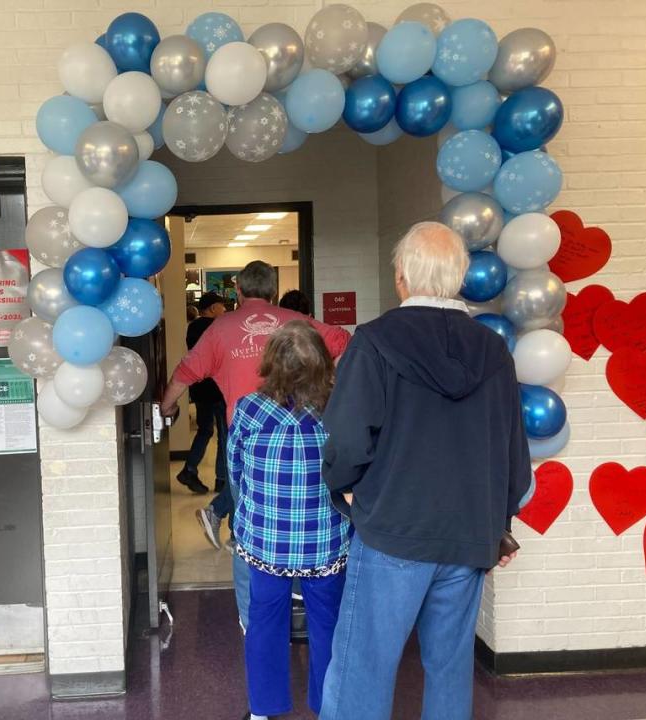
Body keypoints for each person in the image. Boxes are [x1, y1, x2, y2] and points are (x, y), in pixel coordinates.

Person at [318, 222, 532, 720]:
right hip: (468, 534)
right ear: (459, 276)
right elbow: (511, 449)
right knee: (450, 668)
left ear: (400, 278)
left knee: (363, 667)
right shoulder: (494, 351)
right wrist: (499, 524)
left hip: (394, 530)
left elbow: (346, 440)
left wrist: (348, 491)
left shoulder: (373, 342)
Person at [160, 260, 351, 629]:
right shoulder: (298, 323)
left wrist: (166, 408)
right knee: (308, 517)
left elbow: (184, 373)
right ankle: (306, 600)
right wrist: (332, 388)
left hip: (249, 436)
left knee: (247, 524)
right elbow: (345, 342)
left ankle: (252, 619)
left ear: (240, 292)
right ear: (274, 293)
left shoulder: (220, 328)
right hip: (305, 432)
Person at [231, 321, 352, 720]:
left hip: (265, 539)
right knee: (328, 625)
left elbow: (234, 470)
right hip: (326, 541)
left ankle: (262, 710)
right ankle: (328, 705)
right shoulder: (339, 410)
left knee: (264, 623)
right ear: (321, 363)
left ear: (271, 363)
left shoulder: (248, 408)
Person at [176, 292, 227, 497]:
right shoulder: (218, 327)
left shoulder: (193, 327)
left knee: (205, 430)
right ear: (213, 308)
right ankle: (222, 479)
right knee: (224, 433)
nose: (224, 310)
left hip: (199, 388)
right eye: (222, 307)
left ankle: (189, 469)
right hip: (218, 388)